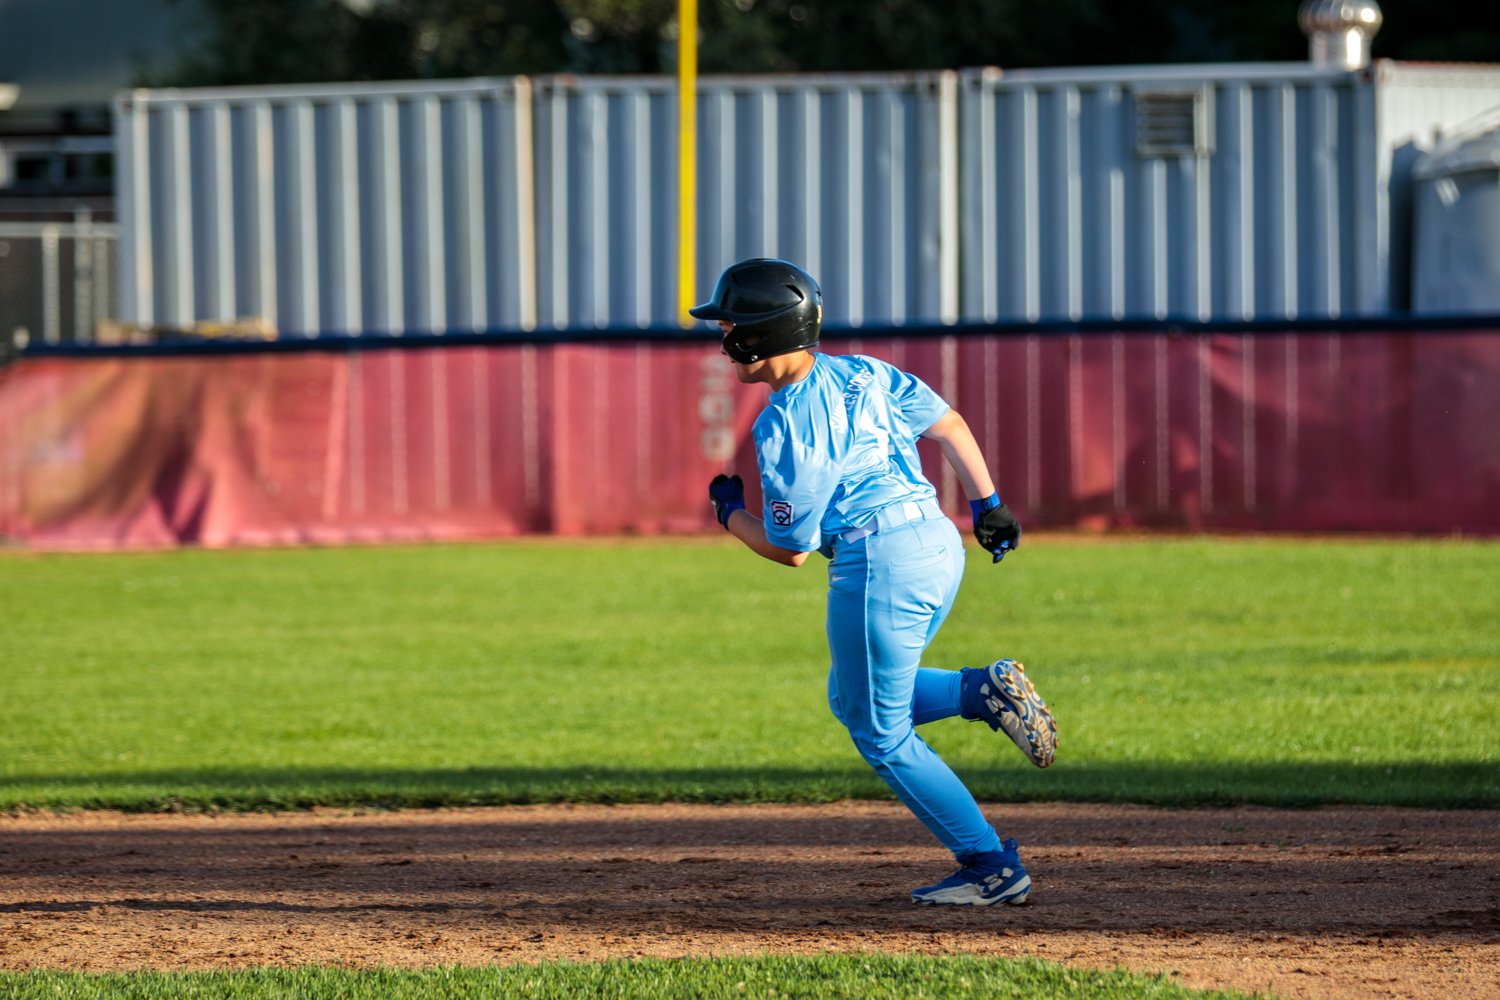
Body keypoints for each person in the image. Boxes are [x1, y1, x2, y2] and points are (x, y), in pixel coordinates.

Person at [694, 257, 1057, 907]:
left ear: (759, 334)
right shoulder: (862, 370)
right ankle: (982, 691)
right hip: (939, 545)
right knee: (853, 698)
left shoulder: (782, 422)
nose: (723, 338)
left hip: (879, 562)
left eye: (730, 324)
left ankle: (990, 867)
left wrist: (729, 513)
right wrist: (988, 504)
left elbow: (792, 550)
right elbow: (946, 423)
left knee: (881, 734)